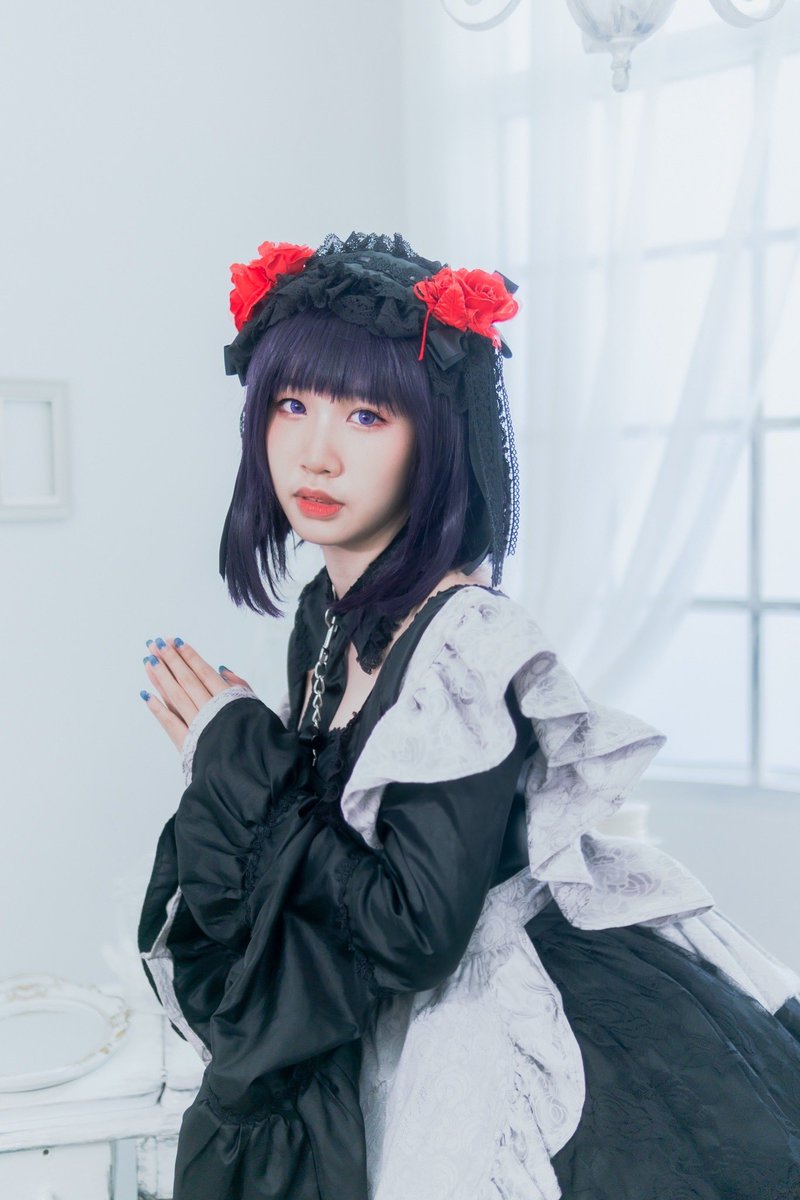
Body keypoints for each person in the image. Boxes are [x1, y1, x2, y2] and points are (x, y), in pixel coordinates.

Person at [137, 231, 800, 1200]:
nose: (316, 452)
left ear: (434, 439)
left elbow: (413, 931)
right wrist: (244, 757)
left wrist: (239, 753)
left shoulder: (464, 644)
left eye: (366, 415)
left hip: (494, 1015)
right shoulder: (327, 614)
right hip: (392, 1020)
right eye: (291, 405)